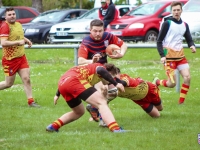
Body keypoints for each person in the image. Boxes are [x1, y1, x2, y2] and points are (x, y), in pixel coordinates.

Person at [46, 63, 127, 133]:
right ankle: (116, 129)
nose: (109, 82)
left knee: (79, 112)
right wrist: (116, 84)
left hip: (62, 84)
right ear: (108, 73)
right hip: (74, 81)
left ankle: (53, 126)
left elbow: (67, 78)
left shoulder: (89, 68)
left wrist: (57, 94)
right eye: (110, 78)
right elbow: (101, 70)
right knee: (101, 102)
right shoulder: (100, 68)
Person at [78, 19, 127, 123]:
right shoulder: (86, 42)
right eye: (95, 31)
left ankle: (95, 108)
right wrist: (92, 60)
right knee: (103, 90)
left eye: (100, 31)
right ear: (90, 30)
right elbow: (80, 61)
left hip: (104, 70)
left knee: (113, 92)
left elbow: (123, 45)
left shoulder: (108, 37)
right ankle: (103, 120)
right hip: (92, 71)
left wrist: (121, 53)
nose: (98, 33)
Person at [154, 1, 196, 104]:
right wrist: (162, 55)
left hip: (180, 57)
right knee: (172, 83)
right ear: (171, 11)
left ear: (181, 10)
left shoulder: (184, 25)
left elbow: (189, 39)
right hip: (169, 57)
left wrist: (192, 46)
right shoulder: (167, 23)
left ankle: (181, 102)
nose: (176, 12)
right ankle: (157, 82)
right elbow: (159, 41)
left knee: (187, 77)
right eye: (174, 10)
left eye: (178, 10)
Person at [0, 7, 40, 107]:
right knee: (8, 84)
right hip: (10, 60)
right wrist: (18, 42)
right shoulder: (5, 26)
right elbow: (3, 43)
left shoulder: (18, 24)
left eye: (13, 14)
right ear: (5, 17)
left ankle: (31, 102)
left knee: (26, 78)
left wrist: (26, 40)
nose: (12, 16)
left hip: (21, 57)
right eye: (9, 15)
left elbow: (19, 36)